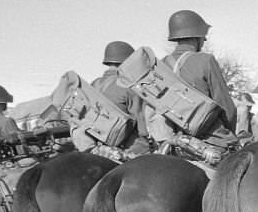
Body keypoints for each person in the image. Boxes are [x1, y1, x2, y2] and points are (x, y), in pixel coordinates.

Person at [160, 9, 237, 164]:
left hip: (175, 145)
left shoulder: (162, 66)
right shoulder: (205, 60)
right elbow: (227, 108)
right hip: (212, 142)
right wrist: (230, 135)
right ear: (197, 37)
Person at [89, 40, 150, 156]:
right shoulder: (129, 85)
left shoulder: (93, 85)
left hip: (98, 147)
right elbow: (143, 127)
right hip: (126, 149)